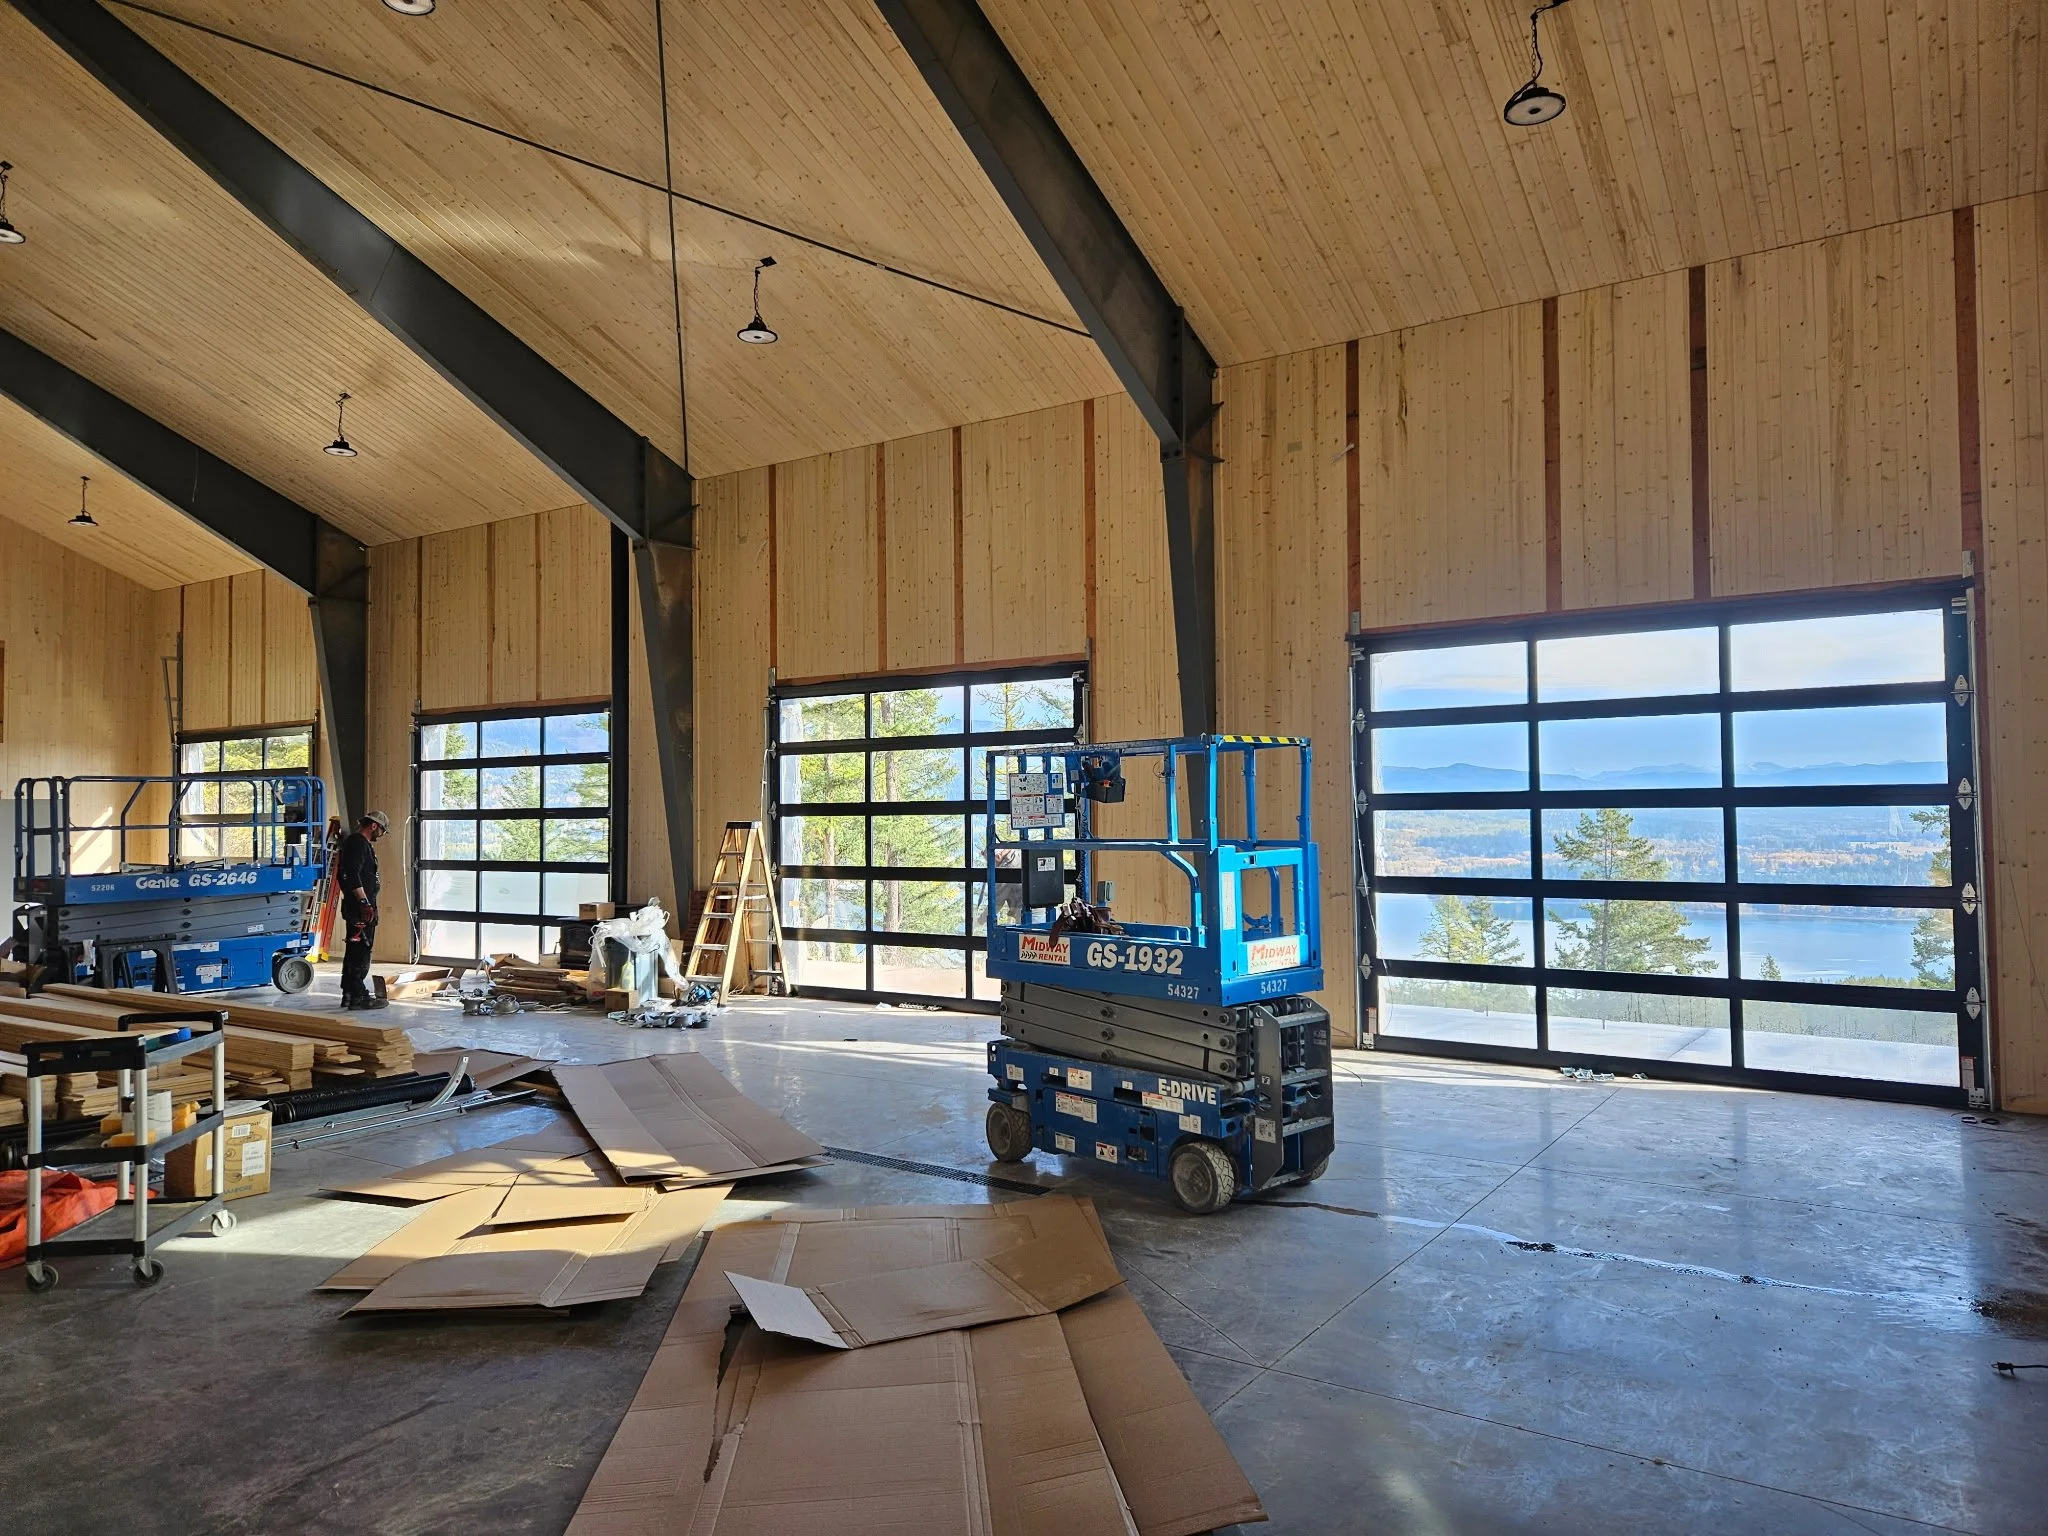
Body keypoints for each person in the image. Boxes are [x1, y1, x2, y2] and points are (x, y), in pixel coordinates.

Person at [337, 810, 390, 1010]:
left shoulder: (357, 844)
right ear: (374, 825)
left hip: (359, 906)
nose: (382, 835)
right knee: (360, 952)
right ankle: (359, 996)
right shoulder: (358, 843)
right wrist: (364, 903)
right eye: (382, 830)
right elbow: (351, 875)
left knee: (354, 950)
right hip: (360, 908)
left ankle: (349, 994)